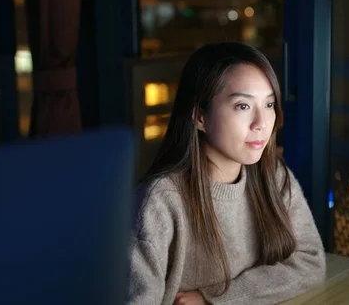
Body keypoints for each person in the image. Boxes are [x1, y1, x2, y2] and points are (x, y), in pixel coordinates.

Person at [127, 42, 326, 305]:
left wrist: (213, 300)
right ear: (199, 117)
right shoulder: (160, 201)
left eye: (268, 105)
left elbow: (311, 262)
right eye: (243, 106)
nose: (262, 123)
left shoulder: (273, 174)